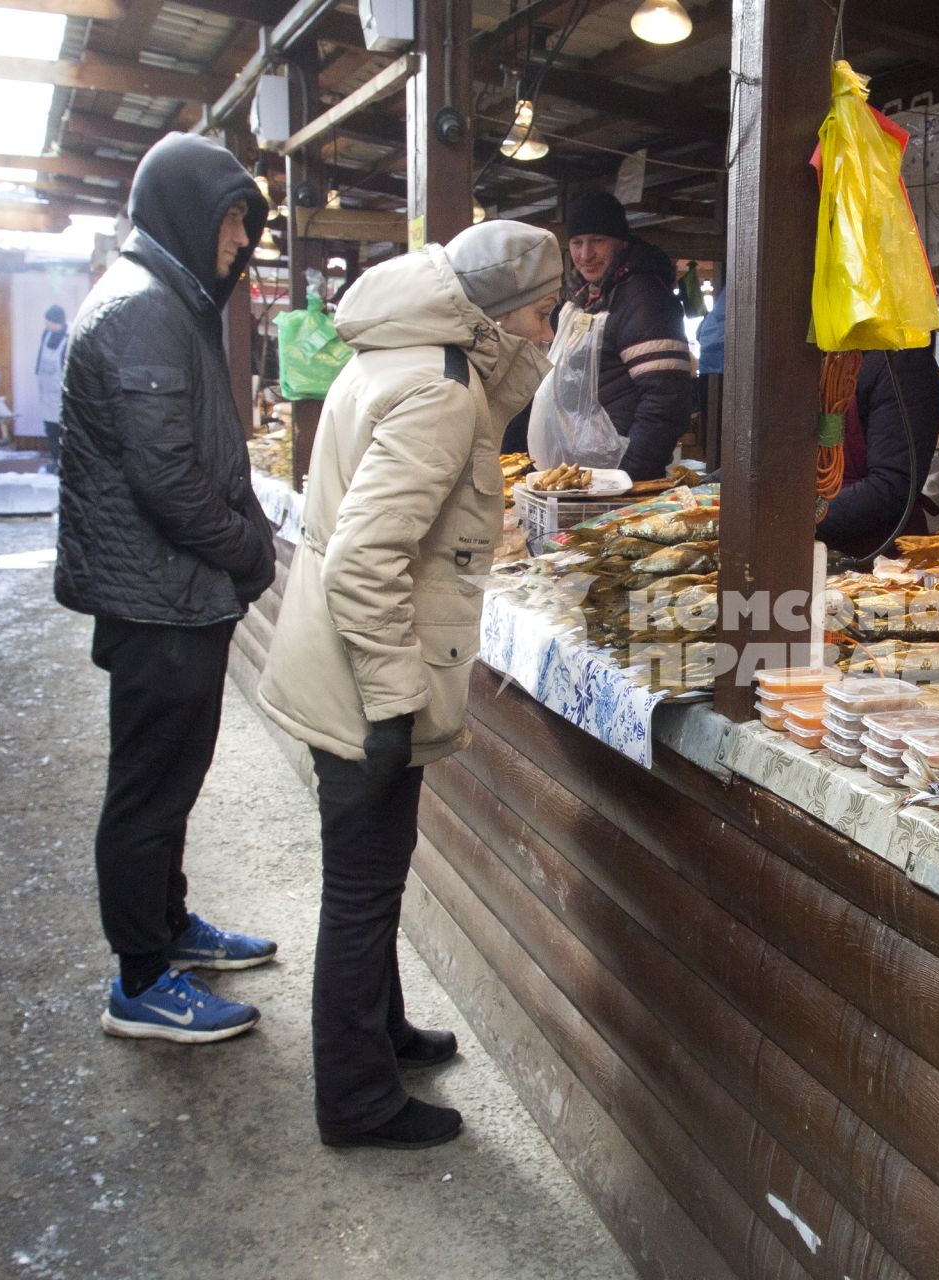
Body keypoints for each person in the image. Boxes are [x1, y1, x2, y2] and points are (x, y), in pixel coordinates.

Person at [258, 220, 561, 1150]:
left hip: (341, 660)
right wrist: (394, 700)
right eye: (546, 316)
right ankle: (356, 1100)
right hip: (361, 678)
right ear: (507, 316)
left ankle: (381, 1033)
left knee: (373, 883)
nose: (551, 336)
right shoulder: (436, 389)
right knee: (361, 892)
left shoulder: (417, 357)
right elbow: (366, 560)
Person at [54, 132, 278, 1045]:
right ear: (187, 211)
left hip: (171, 597)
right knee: (148, 792)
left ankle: (169, 928)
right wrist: (248, 550)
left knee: (170, 786)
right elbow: (169, 481)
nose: (239, 240)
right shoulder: (144, 309)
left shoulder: (161, 300)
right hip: (161, 602)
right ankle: (140, 979)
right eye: (231, 219)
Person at [558, 190, 692, 480]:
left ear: (620, 242)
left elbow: (667, 397)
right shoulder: (587, 296)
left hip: (622, 473)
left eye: (598, 241)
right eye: (577, 243)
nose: (585, 254)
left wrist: (629, 475)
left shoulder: (643, 297)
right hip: (589, 470)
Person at [818, 348, 939, 559]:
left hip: (880, 565)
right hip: (821, 552)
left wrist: (802, 520)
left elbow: (891, 486)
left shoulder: (904, 363)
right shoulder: (832, 358)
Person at [34, 303, 69, 473]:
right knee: (50, 429)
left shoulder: (69, 337)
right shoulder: (46, 334)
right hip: (47, 392)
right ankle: (54, 460)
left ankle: (64, 463)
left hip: (61, 393)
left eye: (49, 321)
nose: (46, 324)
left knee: (63, 430)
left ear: (59, 322)